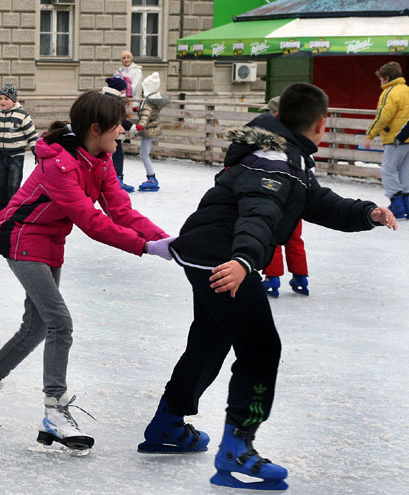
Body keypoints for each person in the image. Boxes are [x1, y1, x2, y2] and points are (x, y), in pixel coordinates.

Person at [136, 83, 397, 491]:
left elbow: (317, 201)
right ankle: (237, 450)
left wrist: (368, 213)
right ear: (321, 124)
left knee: (210, 339)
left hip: (206, 252)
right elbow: (259, 212)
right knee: (260, 347)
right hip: (225, 257)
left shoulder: (280, 156)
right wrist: (243, 260)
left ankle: (168, 422)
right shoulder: (275, 163)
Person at [0, 91, 173, 453]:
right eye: (117, 124)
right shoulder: (59, 164)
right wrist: (145, 247)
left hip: (51, 241)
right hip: (21, 238)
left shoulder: (99, 159)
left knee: (37, 326)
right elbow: (90, 220)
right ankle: (54, 409)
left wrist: (165, 240)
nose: (123, 129)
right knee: (59, 322)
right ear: (95, 128)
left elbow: (121, 211)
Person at [258, 97, 310, 297]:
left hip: (275, 195)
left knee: (272, 236)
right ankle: (301, 276)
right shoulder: (301, 138)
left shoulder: (269, 139)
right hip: (298, 196)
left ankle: (272, 278)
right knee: (294, 237)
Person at [0, 83, 38, 210]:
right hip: (0, 155)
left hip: (16, 156)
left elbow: (32, 135)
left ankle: (12, 211)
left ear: (13, 101)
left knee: (13, 186)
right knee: (1, 187)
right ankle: (2, 211)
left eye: (6, 99)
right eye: (0, 98)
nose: (2, 101)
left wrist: (36, 150)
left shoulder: (22, 115)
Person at [364, 61, 409, 219]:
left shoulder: (390, 92)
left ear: (387, 77)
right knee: (405, 172)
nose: (380, 83)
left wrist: (370, 134)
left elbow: (383, 116)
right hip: (407, 139)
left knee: (388, 170)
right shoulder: (407, 90)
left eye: (381, 79)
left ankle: (397, 204)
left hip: (395, 138)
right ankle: (407, 205)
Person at [102, 76, 139, 193]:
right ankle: (117, 179)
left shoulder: (105, 98)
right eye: (123, 89)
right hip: (113, 132)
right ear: (118, 89)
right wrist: (132, 127)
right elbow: (120, 119)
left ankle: (110, 179)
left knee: (105, 156)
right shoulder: (115, 101)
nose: (124, 91)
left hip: (106, 132)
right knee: (117, 156)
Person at [136, 72, 170, 192]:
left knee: (144, 155)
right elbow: (146, 111)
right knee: (144, 154)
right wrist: (138, 109)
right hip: (152, 129)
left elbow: (146, 115)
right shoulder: (153, 100)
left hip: (148, 130)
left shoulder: (148, 102)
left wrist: (140, 125)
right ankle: (151, 178)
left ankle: (152, 178)